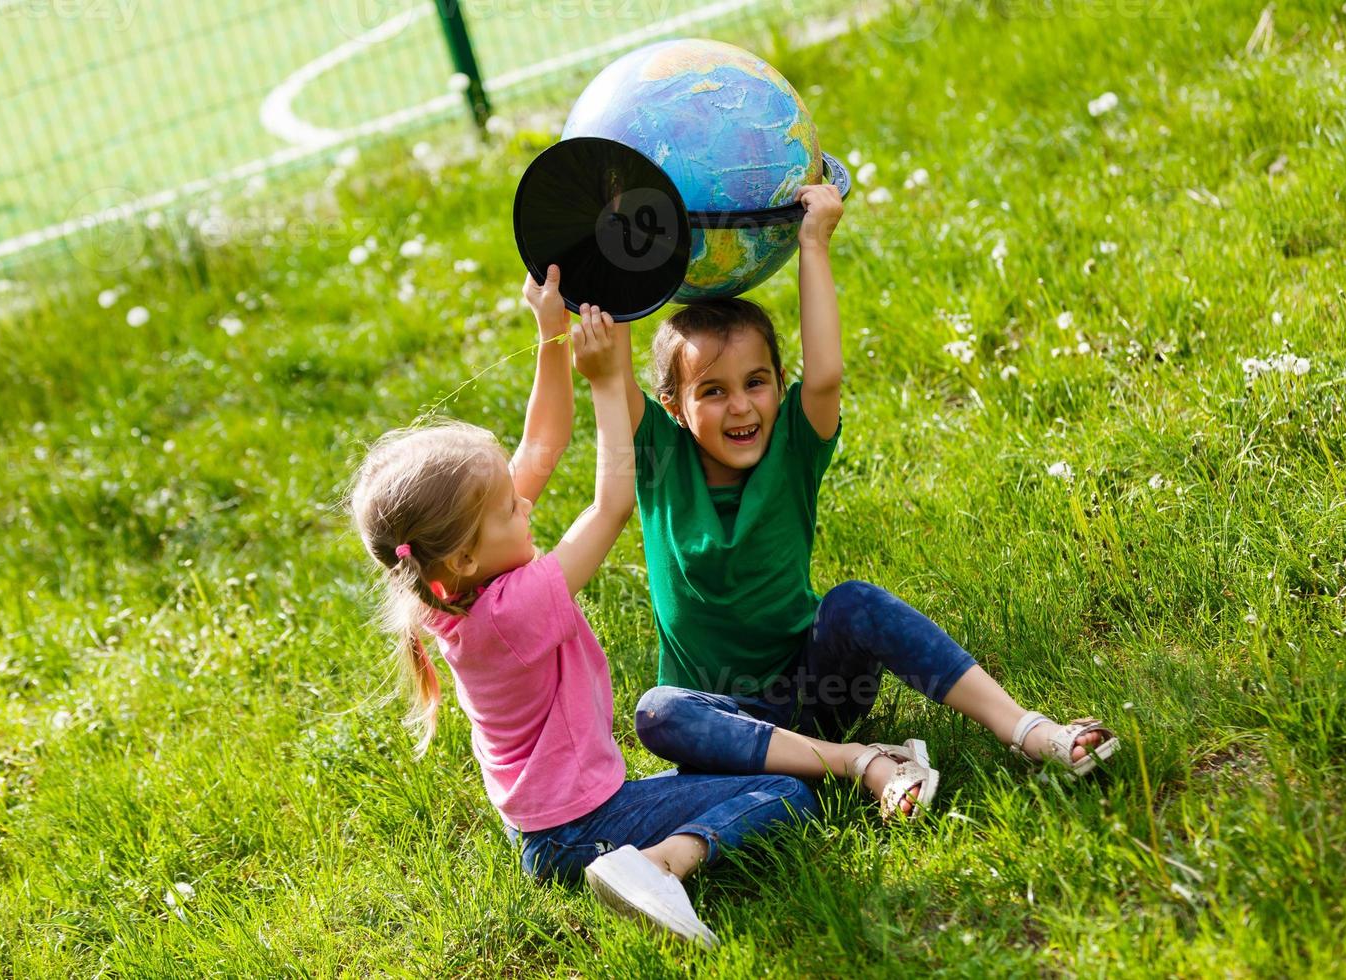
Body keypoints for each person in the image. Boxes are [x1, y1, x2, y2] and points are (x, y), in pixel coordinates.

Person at [349, 267, 817, 947]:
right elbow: (612, 504)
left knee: (729, 769)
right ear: (466, 557)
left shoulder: (446, 591)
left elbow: (541, 446)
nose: (526, 502)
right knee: (788, 794)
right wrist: (605, 383)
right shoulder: (511, 610)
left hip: (550, 827)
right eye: (510, 507)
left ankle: (642, 853)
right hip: (580, 830)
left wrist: (551, 336)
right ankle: (661, 866)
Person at [623, 184, 1121, 820]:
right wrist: (611, 258)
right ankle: (864, 762)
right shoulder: (659, 463)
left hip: (818, 691)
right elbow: (610, 368)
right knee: (657, 710)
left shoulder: (793, 446)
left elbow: (825, 374)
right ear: (674, 409)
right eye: (713, 392)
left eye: (757, 382)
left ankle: (1028, 730)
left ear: (779, 384)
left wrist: (813, 243)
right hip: (723, 725)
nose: (742, 405)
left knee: (855, 601)